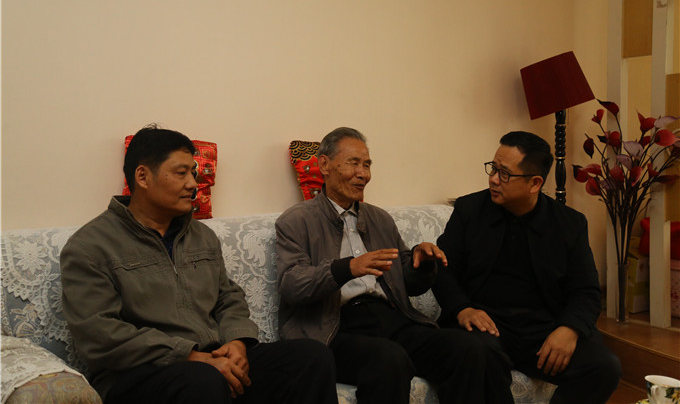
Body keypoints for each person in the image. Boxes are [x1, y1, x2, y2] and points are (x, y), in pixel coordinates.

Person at [60, 125, 338, 404]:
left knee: (311, 357)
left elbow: (228, 298)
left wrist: (237, 342)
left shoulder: (202, 236)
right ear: (142, 176)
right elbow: (99, 333)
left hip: (210, 361)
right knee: (202, 381)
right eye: (181, 173)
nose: (193, 184)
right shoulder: (90, 246)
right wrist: (191, 356)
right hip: (139, 374)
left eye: (192, 173)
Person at [275, 127, 491, 404]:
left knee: (467, 347)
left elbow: (409, 284)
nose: (363, 174)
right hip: (334, 329)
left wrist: (422, 263)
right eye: (353, 163)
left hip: (390, 319)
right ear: (324, 165)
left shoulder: (380, 219)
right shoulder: (296, 220)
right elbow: (292, 284)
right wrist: (347, 268)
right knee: (388, 359)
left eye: (367, 165)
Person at [432, 130, 622, 404]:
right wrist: (463, 309)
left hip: (542, 329)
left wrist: (569, 329)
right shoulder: (469, 210)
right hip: (486, 326)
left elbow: (586, 290)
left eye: (504, 174)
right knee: (477, 354)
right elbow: (443, 270)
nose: (493, 179)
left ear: (534, 183)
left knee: (604, 367)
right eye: (493, 168)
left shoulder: (569, 224)